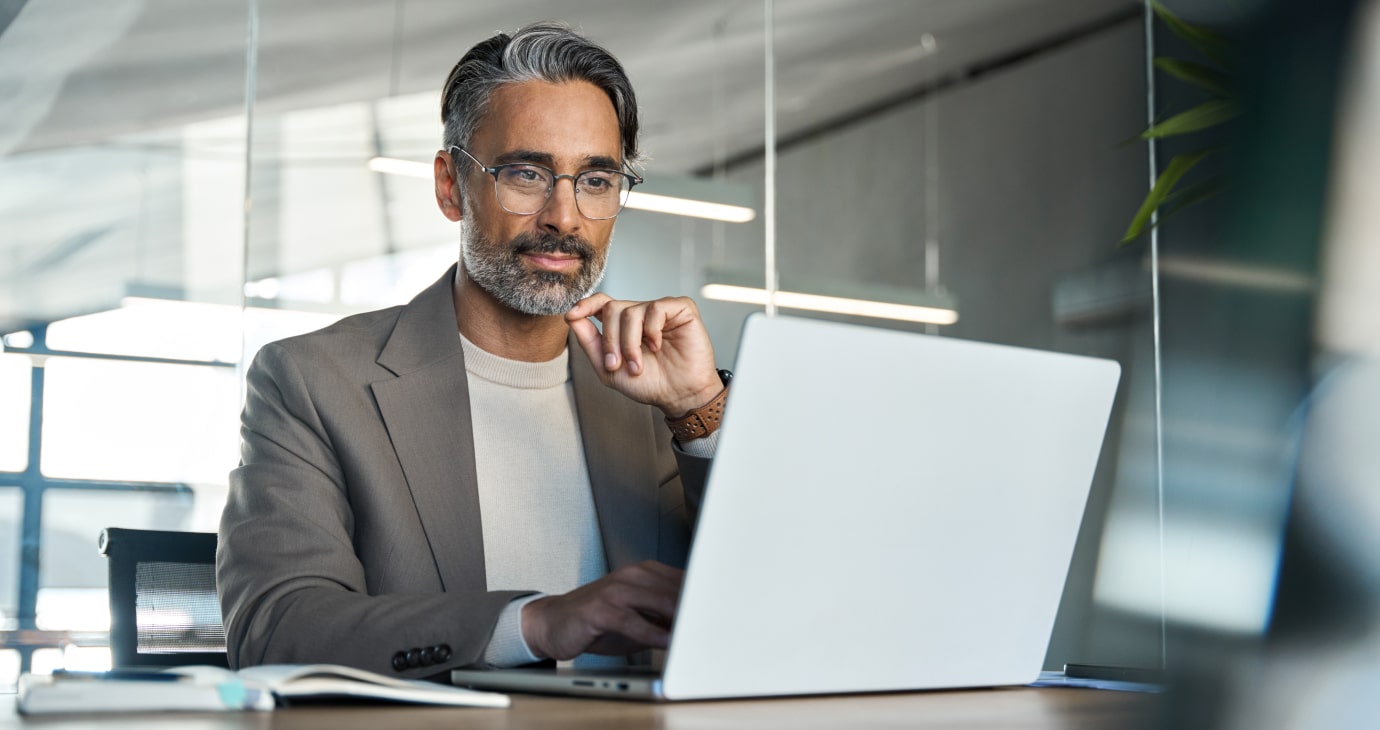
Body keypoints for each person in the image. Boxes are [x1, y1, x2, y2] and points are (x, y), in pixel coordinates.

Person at [216, 21, 729, 678]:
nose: (564, 217)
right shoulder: (313, 382)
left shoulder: (660, 397)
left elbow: (787, 598)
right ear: (451, 186)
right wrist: (537, 622)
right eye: (526, 173)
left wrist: (699, 412)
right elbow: (275, 628)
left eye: (595, 180)